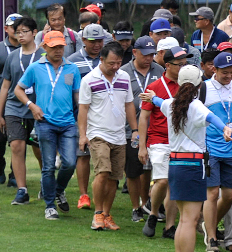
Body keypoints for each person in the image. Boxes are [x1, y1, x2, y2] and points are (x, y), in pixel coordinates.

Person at [141, 65, 232, 252]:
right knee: (190, 221)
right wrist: (225, 130)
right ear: (199, 85)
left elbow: (159, 103)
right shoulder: (196, 105)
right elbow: (213, 119)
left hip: (175, 166)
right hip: (192, 167)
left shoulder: (171, 104)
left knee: (184, 220)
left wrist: (153, 97)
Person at [15, 31, 82, 219]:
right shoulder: (36, 67)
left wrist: (83, 117)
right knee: (48, 166)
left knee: (69, 163)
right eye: (54, 47)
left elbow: (77, 96)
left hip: (68, 122)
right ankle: (50, 205)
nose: (59, 50)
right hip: (45, 122)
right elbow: (18, 89)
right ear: (44, 47)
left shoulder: (72, 69)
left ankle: (58, 190)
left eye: (61, 46)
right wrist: (31, 105)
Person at [78, 41, 139, 232]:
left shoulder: (124, 77)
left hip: (119, 134)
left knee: (114, 178)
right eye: (111, 63)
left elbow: (129, 104)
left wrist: (135, 129)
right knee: (102, 172)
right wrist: (82, 135)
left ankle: (106, 214)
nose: (115, 67)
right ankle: (97, 214)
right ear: (101, 60)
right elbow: (83, 109)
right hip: (98, 134)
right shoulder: (89, 79)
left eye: (118, 63)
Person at [201, 52, 232, 252]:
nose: (229, 76)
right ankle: (212, 237)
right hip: (210, 147)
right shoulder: (204, 88)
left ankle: (207, 223)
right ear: (214, 70)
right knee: (212, 193)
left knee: (229, 195)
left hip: (231, 148)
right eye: (225, 72)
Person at [139, 45, 187, 239]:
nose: (183, 68)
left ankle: (169, 226)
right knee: (163, 179)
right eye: (179, 64)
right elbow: (144, 117)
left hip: (180, 140)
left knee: (174, 183)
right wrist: (142, 146)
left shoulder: (187, 86)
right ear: (167, 65)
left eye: (186, 64)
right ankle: (152, 213)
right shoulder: (154, 86)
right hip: (159, 139)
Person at [0, 16, 42, 205]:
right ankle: (22, 190)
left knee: (41, 148)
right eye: (17, 32)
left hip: (38, 108)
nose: (20, 35)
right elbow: (5, 86)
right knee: (16, 145)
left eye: (24, 31)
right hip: (14, 107)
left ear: (34, 33)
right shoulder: (12, 56)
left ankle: (45, 181)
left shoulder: (43, 54)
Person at [120, 36, 163, 222]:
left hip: (155, 128)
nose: (149, 58)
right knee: (133, 170)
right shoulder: (123, 72)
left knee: (150, 169)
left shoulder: (160, 70)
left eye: (152, 54)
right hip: (132, 129)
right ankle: (135, 207)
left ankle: (148, 204)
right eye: (145, 54)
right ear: (134, 52)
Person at [70, 22, 109, 206]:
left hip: (105, 115)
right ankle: (84, 195)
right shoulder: (72, 60)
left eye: (100, 40)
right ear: (83, 39)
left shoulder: (109, 58)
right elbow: (68, 87)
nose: (96, 44)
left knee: (107, 155)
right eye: (92, 41)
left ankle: (103, 194)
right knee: (83, 154)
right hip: (83, 114)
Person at [0, 13, 23, 185]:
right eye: (13, 27)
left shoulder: (29, 49)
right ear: (6, 29)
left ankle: (15, 175)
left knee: (18, 140)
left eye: (20, 27)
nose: (16, 31)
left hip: (22, 101)